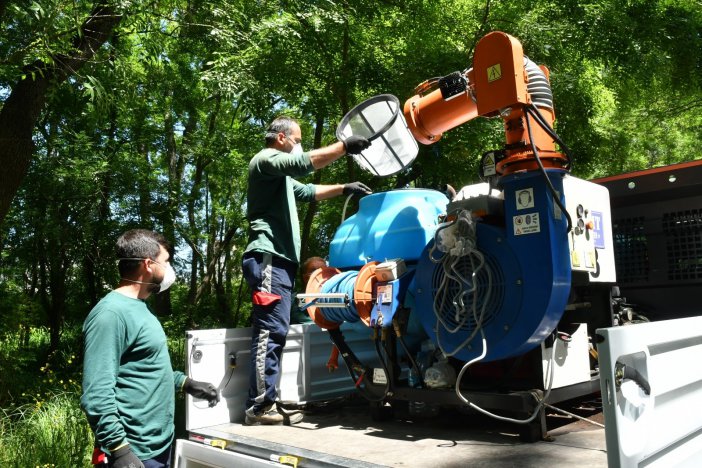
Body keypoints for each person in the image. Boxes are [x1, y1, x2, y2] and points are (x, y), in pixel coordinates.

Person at [242, 116, 371, 425]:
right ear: (282, 138)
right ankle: (259, 406)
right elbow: (303, 164)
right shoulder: (266, 160)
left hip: (280, 260)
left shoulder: (280, 177)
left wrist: (344, 188)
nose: (299, 144)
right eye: (297, 139)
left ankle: (266, 400)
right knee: (270, 331)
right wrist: (344, 147)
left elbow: (308, 190)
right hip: (268, 257)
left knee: (276, 329)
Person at [81, 229, 219, 468]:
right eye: (165, 262)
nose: (168, 269)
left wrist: (186, 383)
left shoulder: (141, 306)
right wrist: (120, 450)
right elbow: (96, 394)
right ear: (148, 265)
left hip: (159, 444)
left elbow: (145, 366)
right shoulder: (110, 314)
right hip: (133, 451)